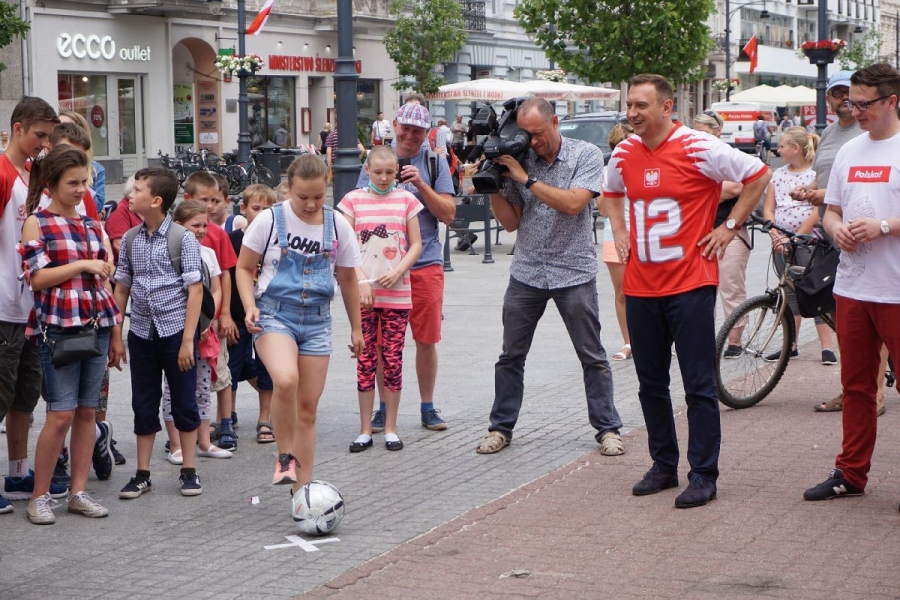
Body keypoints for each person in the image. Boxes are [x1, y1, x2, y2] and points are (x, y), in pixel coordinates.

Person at [604, 74, 770, 508]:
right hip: (642, 285)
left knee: (698, 384)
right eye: (630, 105)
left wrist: (729, 226)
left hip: (691, 284)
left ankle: (703, 475)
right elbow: (610, 193)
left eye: (641, 105)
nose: (633, 113)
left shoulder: (699, 146)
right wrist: (619, 229)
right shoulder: (624, 151)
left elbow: (758, 174)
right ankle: (663, 466)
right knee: (650, 383)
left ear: (666, 107)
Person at [474, 98, 625, 457]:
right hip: (527, 270)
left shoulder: (585, 154)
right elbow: (510, 223)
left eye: (538, 133)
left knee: (592, 355)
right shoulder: (517, 156)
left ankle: (608, 429)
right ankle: (500, 428)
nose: (532, 142)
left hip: (573, 271)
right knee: (511, 356)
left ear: (555, 122)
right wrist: (492, 184)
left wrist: (524, 178)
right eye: (526, 134)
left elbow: (574, 204)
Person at [235, 155, 363, 495]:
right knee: (285, 379)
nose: (310, 204)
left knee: (307, 410)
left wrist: (356, 328)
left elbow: (348, 278)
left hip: (318, 320)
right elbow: (243, 268)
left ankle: (301, 493)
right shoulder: (269, 220)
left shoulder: (337, 224)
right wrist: (249, 306)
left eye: (318, 197)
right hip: (274, 314)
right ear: (288, 188)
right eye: (303, 196)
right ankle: (284, 455)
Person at [803, 63, 900, 506]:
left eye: (863, 104)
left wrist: (884, 226)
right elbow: (832, 210)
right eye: (850, 102)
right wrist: (835, 228)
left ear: (891, 101)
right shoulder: (849, 150)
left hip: (895, 290)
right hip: (853, 288)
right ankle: (851, 473)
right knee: (856, 387)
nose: (854, 110)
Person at [17, 145, 124, 524]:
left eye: (84, 182)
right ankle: (39, 496)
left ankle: (79, 492)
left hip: (96, 326)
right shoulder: (38, 222)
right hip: (58, 329)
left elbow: (105, 284)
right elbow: (37, 279)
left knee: (86, 412)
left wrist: (116, 335)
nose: (81, 190)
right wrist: (82, 264)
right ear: (51, 184)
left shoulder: (93, 224)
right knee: (60, 413)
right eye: (73, 183)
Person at [788, 71, 890, 416]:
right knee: (843, 320)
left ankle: (875, 395)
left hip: (883, 260)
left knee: (877, 320)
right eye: (839, 94)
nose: (848, 102)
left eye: (855, 96)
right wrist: (813, 197)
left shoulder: (876, 137)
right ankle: (857, 392)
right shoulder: (836, 138)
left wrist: (884, 226)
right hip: (839, 248)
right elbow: (829, 190)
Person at [356, 102, 456, 432]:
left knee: (426, 339)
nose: (410, 136)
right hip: (382, 269)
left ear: (426, 132)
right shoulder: (376, 161)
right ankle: (384, 407)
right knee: (381, 342)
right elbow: (358, 210)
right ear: (395, 126)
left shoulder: (435, 161)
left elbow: (449, 215)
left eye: (418, 131)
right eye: (406, 129)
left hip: (424, 264)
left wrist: (422, 186)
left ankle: (428, 405)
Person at [113, 167, 205, 499]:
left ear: (155, 201)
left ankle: (189, 470)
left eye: (138, 190)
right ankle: (142, 474)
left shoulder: (183, 238)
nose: (130, 194)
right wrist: (116, 334)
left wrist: (187, 340)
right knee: (143, 402)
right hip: (141, 333)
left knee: (184, 401)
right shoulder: (130, 239)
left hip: (176, 332)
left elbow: (195, 291)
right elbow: (122, 287)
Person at [340, 145, 422, 453]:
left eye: (389, 172)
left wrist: (399, 270)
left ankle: (391, 427)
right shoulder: (353, 200)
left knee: (392, 359)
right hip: (363, 295)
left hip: (397, 293)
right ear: (367, 170)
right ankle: (365, 428)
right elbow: (344, 246)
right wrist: (360, 280)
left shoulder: (406, 200)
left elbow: (416, 244)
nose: (384, 178)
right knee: (365, 359)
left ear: (397, 171)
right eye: (378, 172)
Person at [0, 97, 59, 516]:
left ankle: (18, 472)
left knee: (23, 396)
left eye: (48, 137)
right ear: (17, 128)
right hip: (4, 305)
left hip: (30, 308)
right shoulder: (3, 173)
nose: (44, 144)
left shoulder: (30, 174)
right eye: (39, 135)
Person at [161, 200, 231, 464]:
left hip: (204, 329)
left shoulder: (208, 253)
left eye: (204, 225)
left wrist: (207, 320)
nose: (201, 230)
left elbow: (216, 289)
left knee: (202, 387)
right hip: (177, 328)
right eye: (195, 225)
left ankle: (203, 441)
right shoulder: (168, 251)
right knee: (175, 388)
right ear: (179, 225)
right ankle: (176, 444)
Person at [761, 126, 835, 364]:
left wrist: (795, 237)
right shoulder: (777, 175)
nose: (778, 150)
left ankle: (827, 347)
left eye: (782, 146)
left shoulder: (813, 176)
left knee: (816, 290)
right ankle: (790, 344)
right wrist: (776, 235)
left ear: (795, 148)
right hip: (781, 241)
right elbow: (769, 209)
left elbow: (815, 213)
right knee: (789, 292)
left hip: (808, 242)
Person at [182, 171, 239, 451]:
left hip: (212, 319)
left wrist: (224, 313)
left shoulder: (216, 234)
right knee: (189, 376)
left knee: (220, 370)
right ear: (187, 198)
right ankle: (188, 428)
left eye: (215, 200)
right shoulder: (178, 236)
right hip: (183, 320)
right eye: (204, 200)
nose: (210, 206)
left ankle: (225, 421)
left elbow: (225, 275)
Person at [693, 110, 752, 360]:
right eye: (695, 131)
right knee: (701, 291)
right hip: (699, 233)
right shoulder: (693, 157)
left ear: (717, 131)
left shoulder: (730, 156)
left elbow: (736, 187)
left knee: (731, 286)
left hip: (730, 231)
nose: (699, 136)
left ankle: (734, 341)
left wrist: (700, 192)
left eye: (704, 131)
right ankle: (704, 340)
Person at [225, 185, 276, 444]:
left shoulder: (275, 241)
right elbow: (224, 279)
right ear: (243, 209)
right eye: (256, 208)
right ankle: (227, 415)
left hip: (269, 314)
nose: (262, 214)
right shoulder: (233, 240)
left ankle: (265, 417)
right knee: (231, 369)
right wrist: (224, 315)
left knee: (267, 368)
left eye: (268, 209)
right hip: (237, 316)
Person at [598, 122, 634, 362]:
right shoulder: (606, 171)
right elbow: (602, 209)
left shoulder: (646, 166)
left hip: (644, 236)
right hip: (614, 236)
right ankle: (629, 341)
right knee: (622, 292)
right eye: (619, 146)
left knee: (650, 291)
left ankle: (655, 339)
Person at [58, 111, 105, 213]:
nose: (60, 132)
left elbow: (97, 206)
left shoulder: (96, 169)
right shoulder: (42, 168)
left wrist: (81, 182)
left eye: (68, 129)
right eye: (57, 127)